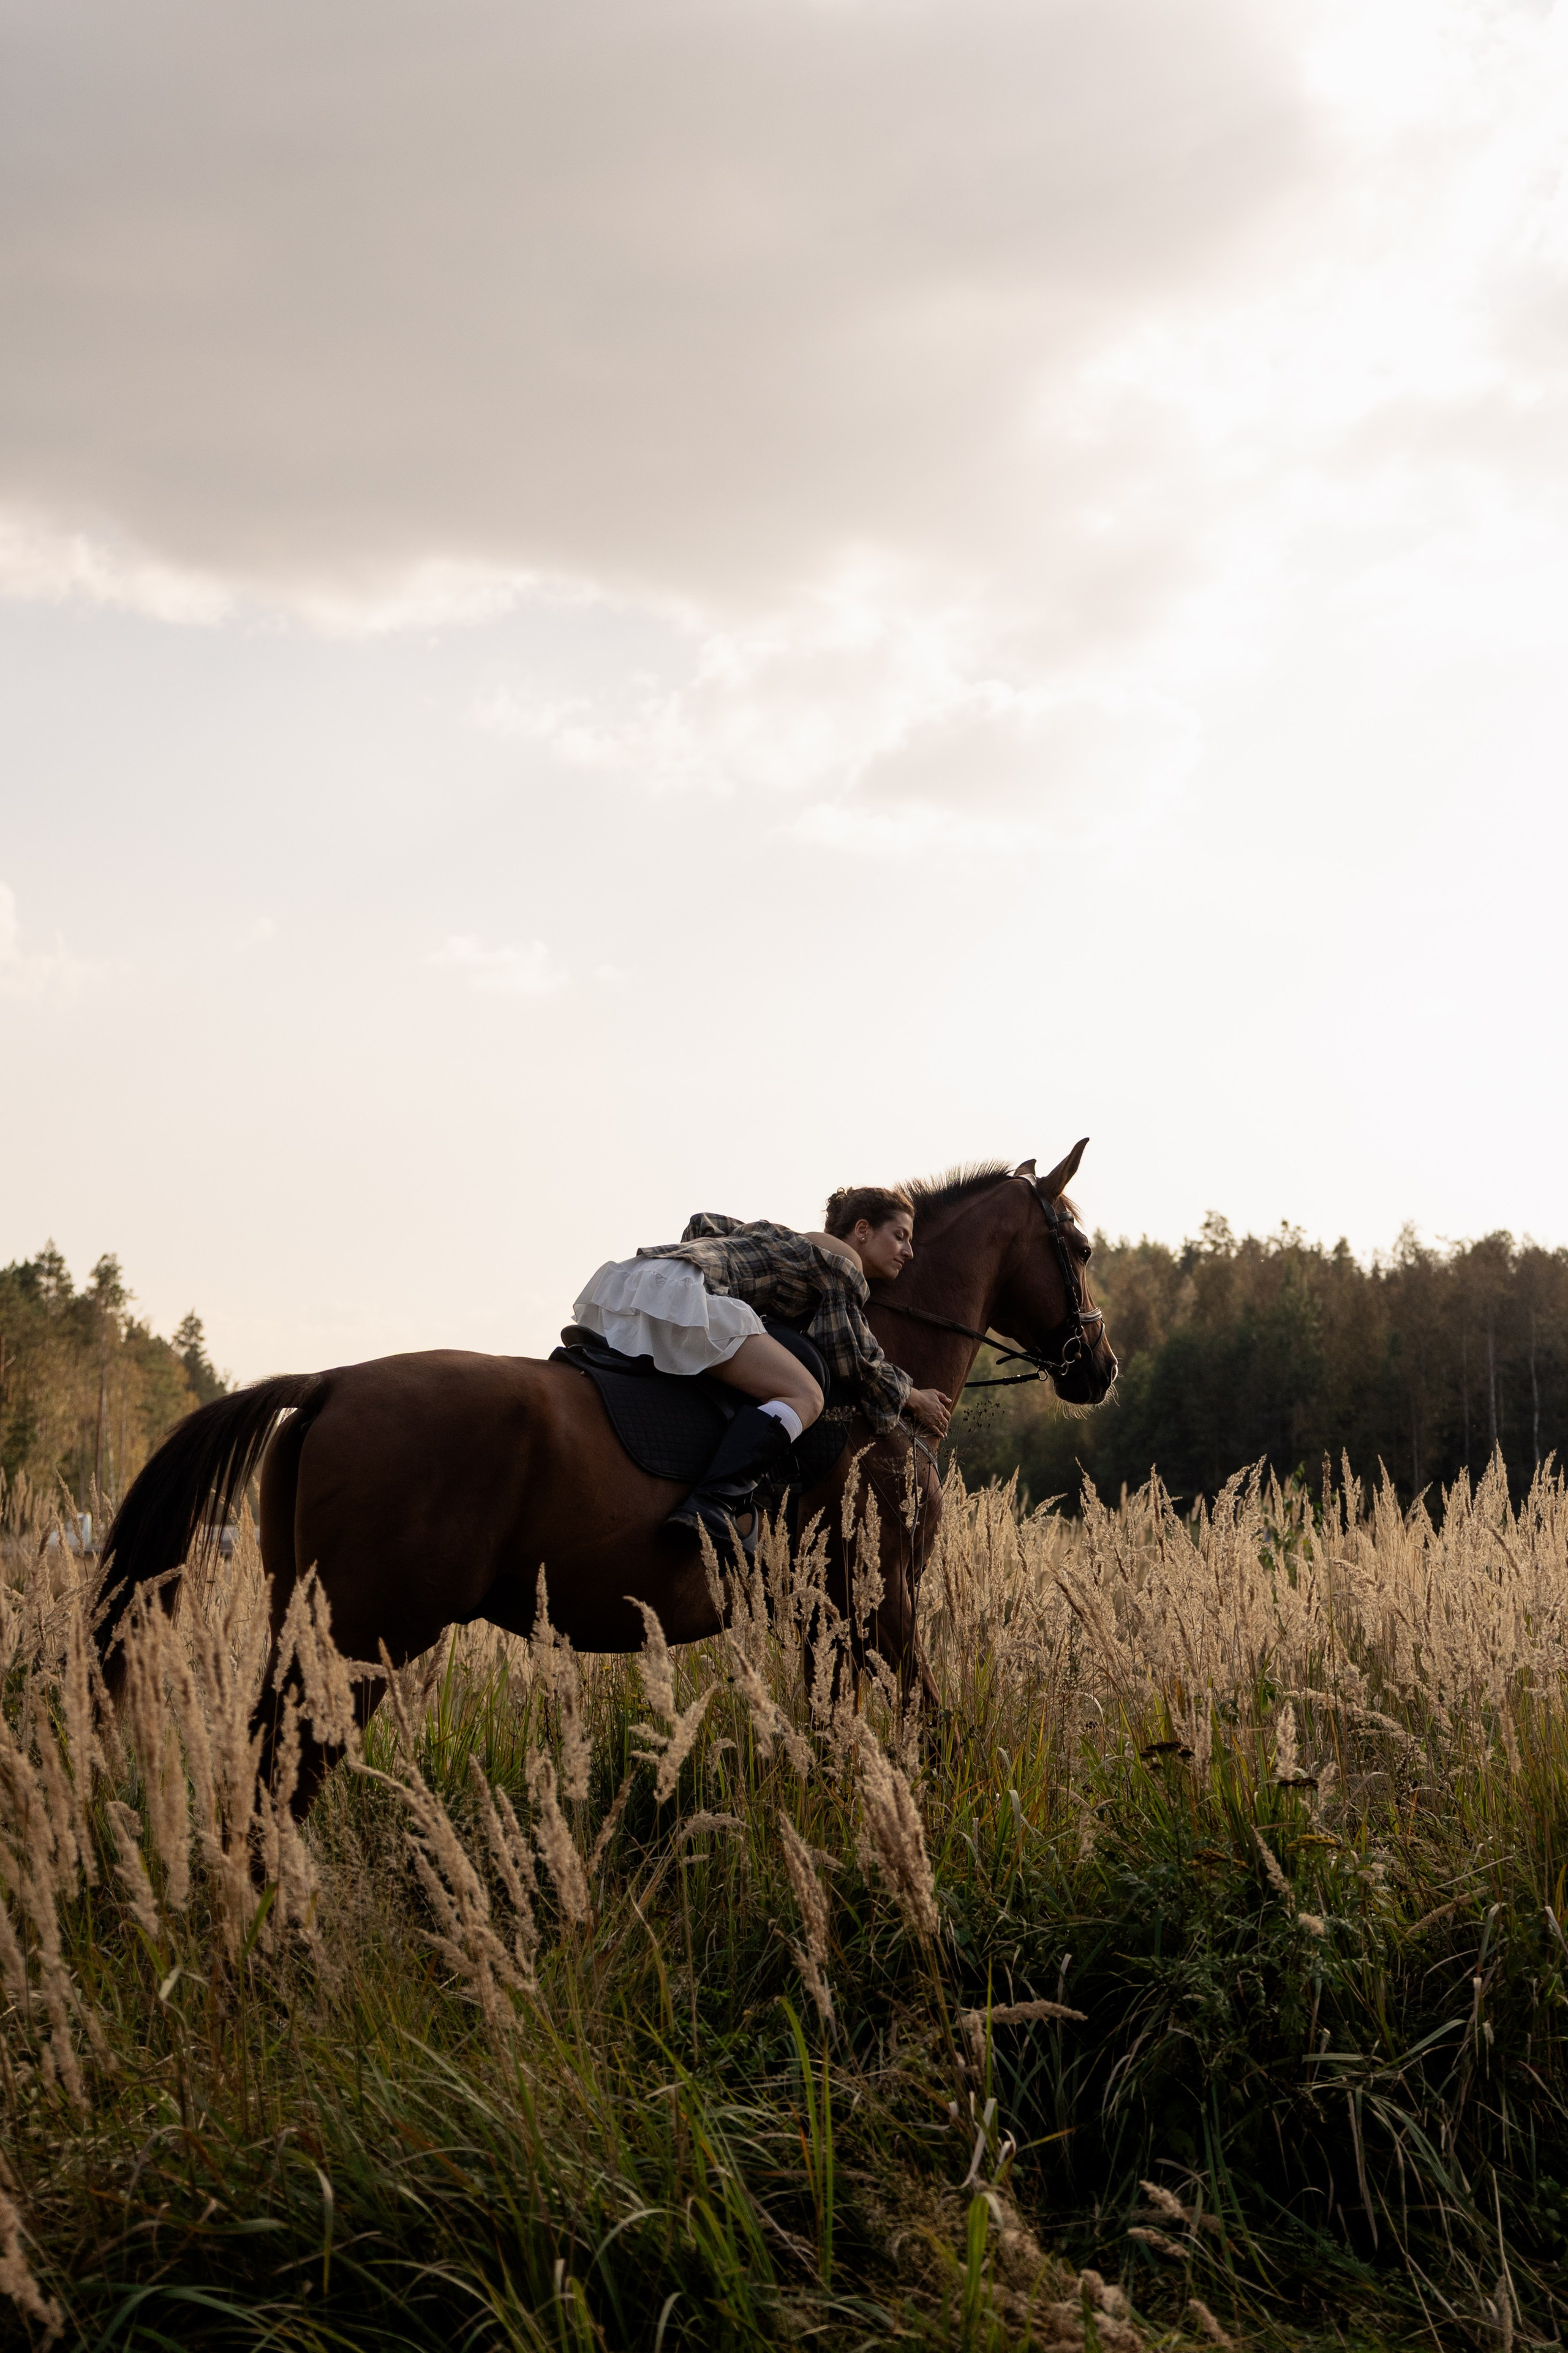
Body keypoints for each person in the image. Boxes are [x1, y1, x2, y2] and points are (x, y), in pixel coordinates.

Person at [570, 1184, 952, 1550]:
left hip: (644, 1278)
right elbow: (850, 1354)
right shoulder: (842, 1261)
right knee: (804, 1395)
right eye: (900, 1236)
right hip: (692, 1297)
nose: (909, 1252)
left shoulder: (789, 1240)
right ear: (863, 1230)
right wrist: (914, 1397)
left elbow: (702, 1223)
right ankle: (713, 1503)